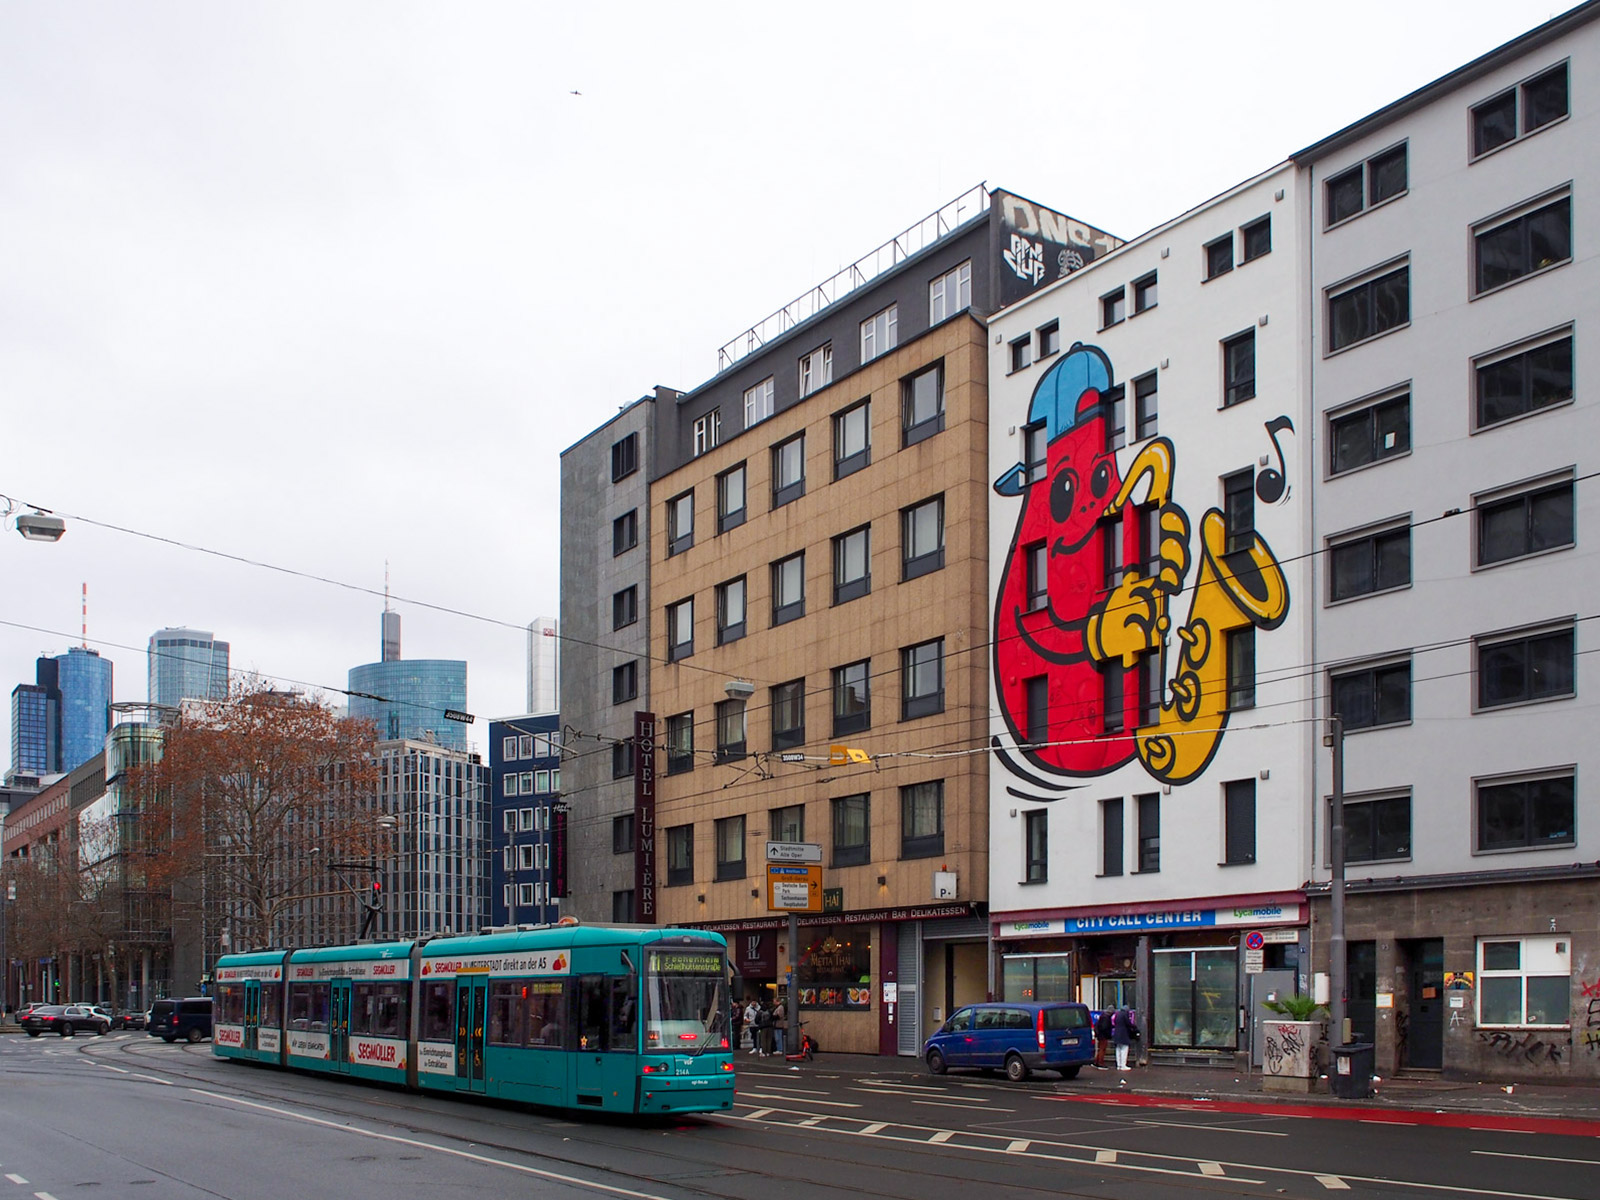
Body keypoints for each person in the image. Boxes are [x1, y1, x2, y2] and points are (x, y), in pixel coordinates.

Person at [1111, 1006, 1138, 1071]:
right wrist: (1134, 1027)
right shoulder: (1125, 1014)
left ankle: (1119, 1065)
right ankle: (1123, 1065)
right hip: (1123, 1034)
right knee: (1124, 1049)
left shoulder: (1117, 1014)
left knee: (1118, 1049)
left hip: (1117, 1034)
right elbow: (1128, 1023)